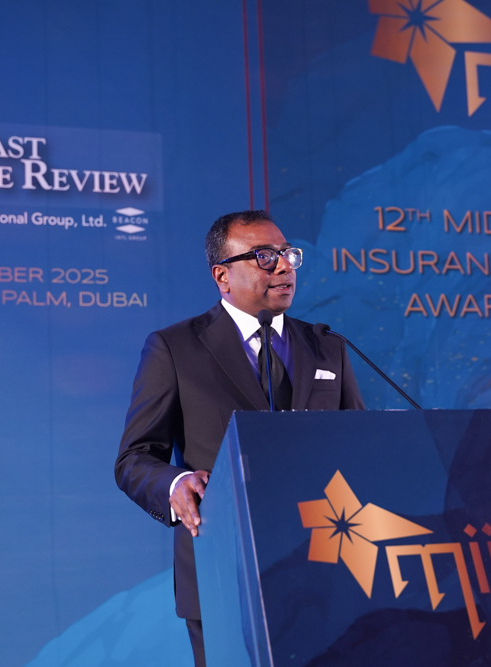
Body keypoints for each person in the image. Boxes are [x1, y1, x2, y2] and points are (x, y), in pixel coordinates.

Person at [115, 210, 364, 666]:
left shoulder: (328, 346)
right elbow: (135, 458)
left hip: (329, 566)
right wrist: (176, 484)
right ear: (222, 276)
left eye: (288, 254)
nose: (284, 266)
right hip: (223, 570)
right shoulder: (175, 348)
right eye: (265, 256)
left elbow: (359, 444)